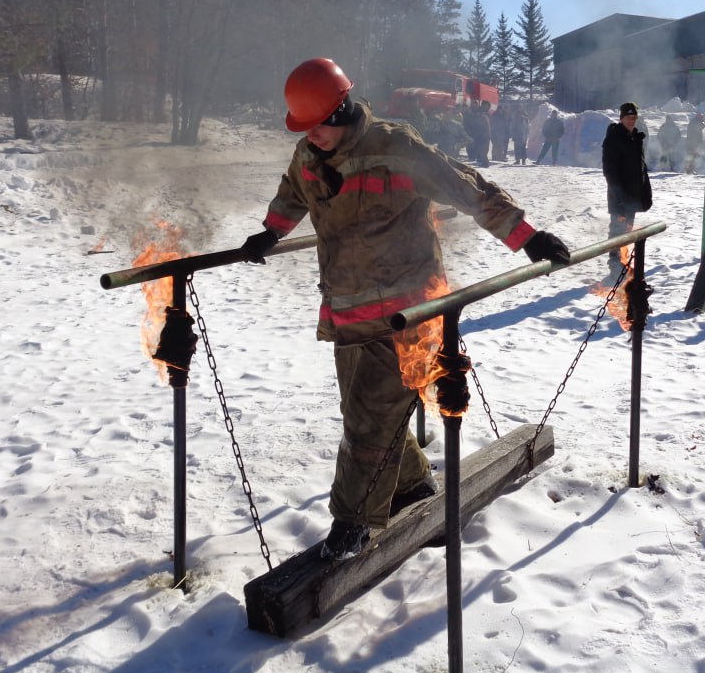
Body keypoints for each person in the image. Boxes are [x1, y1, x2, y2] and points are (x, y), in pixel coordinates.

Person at [240, 58, 572, 561]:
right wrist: (270, 232)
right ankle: (414, 485)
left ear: (342, 109)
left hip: (405, 312)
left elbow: (466, 188)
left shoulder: (395, 147)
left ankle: (352, 524)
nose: (312, 137)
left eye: (317, 126)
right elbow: (292, 195)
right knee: (365, 412)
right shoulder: (307, 155)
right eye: (304, 129)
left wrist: (527, 238)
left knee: (370, 419)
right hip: (346, 310)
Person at [601, 102, 653, 278]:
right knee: (617, 228)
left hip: (633, 195)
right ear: (621, 118)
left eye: (634, 118)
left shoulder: (636, 138)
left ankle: (622, 261)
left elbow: (641, 168)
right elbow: (610, 171)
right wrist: (619, 197)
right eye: (628, 117)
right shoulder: (614, 139)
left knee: (627, 229)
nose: (631, 121)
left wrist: (646, 193)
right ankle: (614, 264)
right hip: (619, 196)